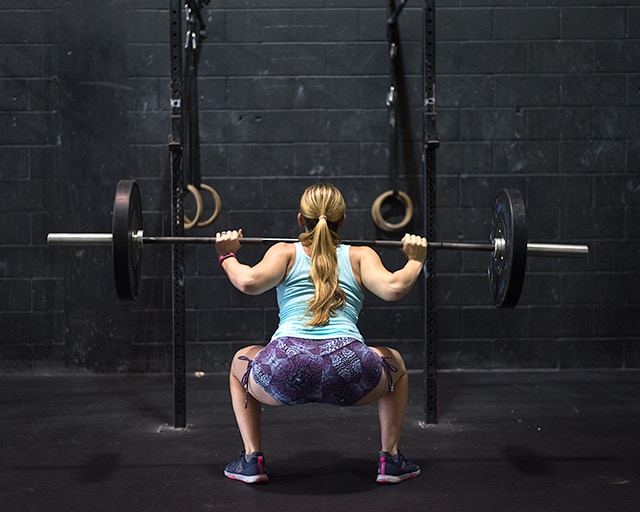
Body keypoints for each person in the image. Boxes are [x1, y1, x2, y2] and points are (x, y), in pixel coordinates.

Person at [215, 183, 428, 484]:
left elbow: (248, 281)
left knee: (241, 361)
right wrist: (416, 259)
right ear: (343, 221)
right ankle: (391, 459)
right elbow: (394, 287)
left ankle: (251, 460)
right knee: (396, 365)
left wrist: (227, 255)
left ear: (301, 219)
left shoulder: (285, 252)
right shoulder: (360, 256)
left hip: (285, 368)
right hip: (350, 369)